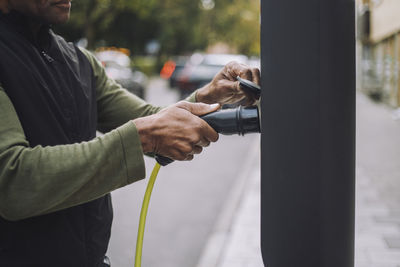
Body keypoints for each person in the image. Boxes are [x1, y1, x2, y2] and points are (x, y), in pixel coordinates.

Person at [0, 0, 260, 266]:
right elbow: (13, 179)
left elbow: (149, 117)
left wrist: (208, 96)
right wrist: (143, 137)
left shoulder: (79, 61)